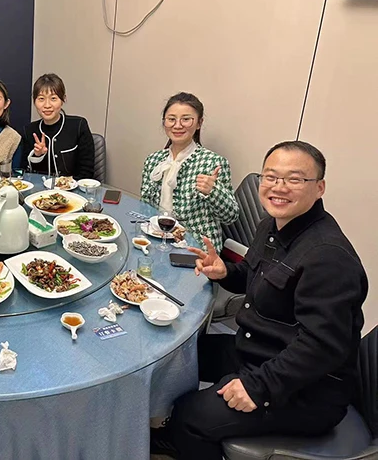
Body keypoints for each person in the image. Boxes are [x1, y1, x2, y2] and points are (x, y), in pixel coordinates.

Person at [151, 141, 369, 460]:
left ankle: (187, 436)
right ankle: (180, 436)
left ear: (319, 187)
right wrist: (225, 271)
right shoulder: (272, 225)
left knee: (190, 416)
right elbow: (257, 277)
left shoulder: (328, 258)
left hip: (307, 391)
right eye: (271, 176)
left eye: (294, 179)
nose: (279, 187)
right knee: (175, 358)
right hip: (259, 349)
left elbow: (322, 347)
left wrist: (258, 387)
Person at [140, 92, 238, 250]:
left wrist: (213, 192)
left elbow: (231, 216)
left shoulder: (213, 162)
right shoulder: (153, 160)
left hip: (196, 247)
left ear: (199, 123)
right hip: (156, 240)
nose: (178, 125)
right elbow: (145, 208)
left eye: (186, 119)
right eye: (171, 119)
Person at [21, 73, 95, 180]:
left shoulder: (78, 126)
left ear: (63, 100)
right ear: (34, 101)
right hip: (40, 189)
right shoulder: (29, 131)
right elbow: (26, 175)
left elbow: (87, 172)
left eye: (53, 98)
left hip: (73, 189)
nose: (47, 105)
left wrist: (67, 185)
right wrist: (38, 156)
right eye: (41, 99)